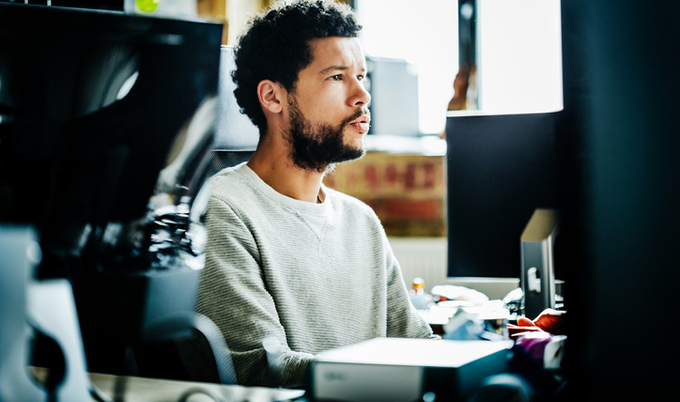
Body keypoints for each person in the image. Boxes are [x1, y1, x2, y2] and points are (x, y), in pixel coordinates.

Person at [195, 0, 437, 388]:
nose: (362, 95)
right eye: (337, 77)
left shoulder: (361, 220)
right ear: (273, 97)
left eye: (362, 75)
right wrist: (396, 379)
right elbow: (261, 369)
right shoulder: (225, 210)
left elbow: (416, 343)